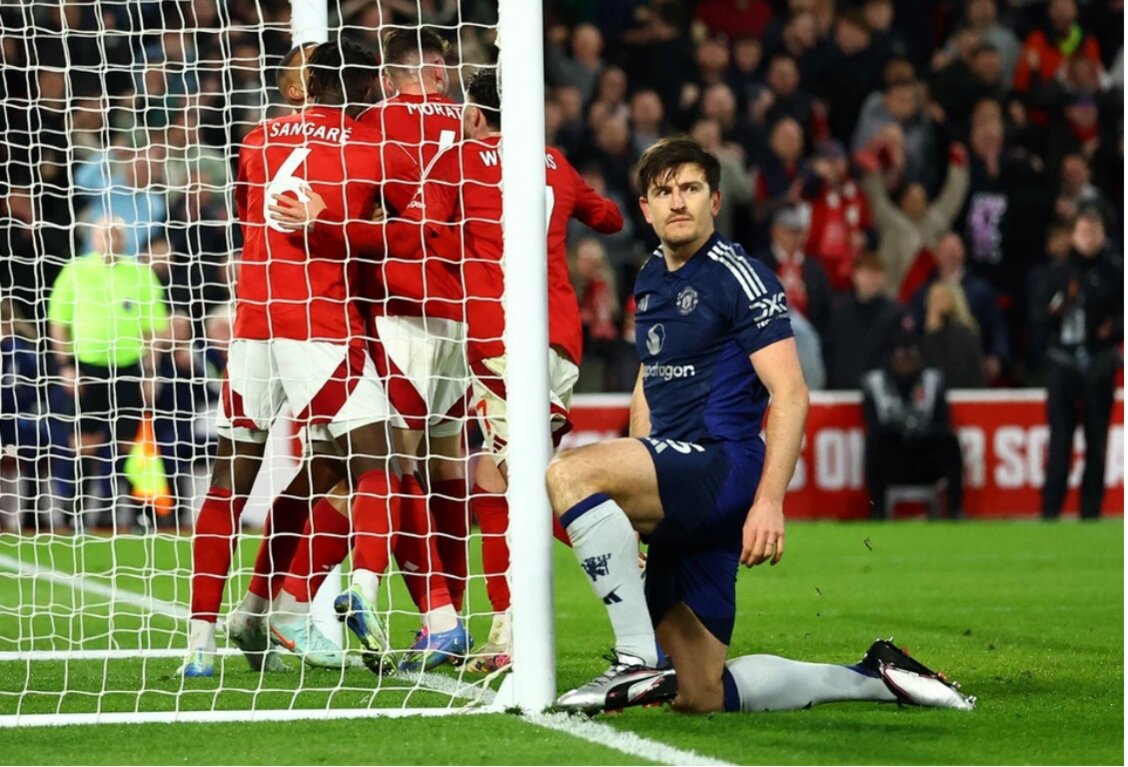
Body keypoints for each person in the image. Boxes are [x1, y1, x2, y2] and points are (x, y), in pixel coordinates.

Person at [544, 137, 974, 715]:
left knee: (568, 474)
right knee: (700, 693)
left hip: (721, 469)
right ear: (645, 208)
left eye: (691, 188)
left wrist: (769, 501)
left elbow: (790, 393)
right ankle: (873, 677)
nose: (678, 202)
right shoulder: (649, 276)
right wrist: (641, 485)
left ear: (715, 200)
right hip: (675, 475)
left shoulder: (740, 277)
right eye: (664, 192)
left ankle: (633, 659)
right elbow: (650, 376)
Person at [269, 69, 624, 674]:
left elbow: (410, 236)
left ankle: (614, 563)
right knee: (484, 475)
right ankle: (477, 623)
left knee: (483, 478)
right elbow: (611, 218)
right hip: (557, 336)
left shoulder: (443, 153)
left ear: (476, 114)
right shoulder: (555, 162)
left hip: (488, 333)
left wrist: (324, 223)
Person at [179, 40, 418, 678]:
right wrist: (352, 220)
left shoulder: (256, 140)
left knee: (235, 479)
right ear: (370, 89)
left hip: (252, 323)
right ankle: (359, 591)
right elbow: (410, 235)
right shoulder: (374, 148)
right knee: (379, 459)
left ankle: (209, 640)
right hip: (319, 324)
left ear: (305, 85)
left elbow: (248, 216)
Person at [264, 27, 474, 674]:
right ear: (440, 72)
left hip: (393, 309)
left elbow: (394, 224)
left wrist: (341, 222)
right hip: (460, 306)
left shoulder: (372, 128)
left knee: (376, 466)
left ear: (385, 79)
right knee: (442, 466)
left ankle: (421, 613)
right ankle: (454, 616)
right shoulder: (471, 126)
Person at [47, 216, 169, 530]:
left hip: (128, 368)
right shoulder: (75, 271)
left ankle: (140, 516)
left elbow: (154, 329)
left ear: (125, 240)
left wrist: (151, 371)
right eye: (105, 234)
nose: (111, 239)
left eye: (117, 234)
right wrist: (66, 365)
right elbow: (58, 322)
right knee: (84, 443)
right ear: (93, 238)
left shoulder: (141, 273)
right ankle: (74, 515)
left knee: (130, 445)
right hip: (85, 368)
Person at [1040, 207, 1123, 520]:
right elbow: (1040, 317)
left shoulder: (1115, 272)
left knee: (1097, 442)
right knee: (1060, 442)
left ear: (1103, 234)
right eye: (1084, 231)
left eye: (1094, 231)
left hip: (1098, 363)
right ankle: (1051, 512)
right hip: (1062, 364)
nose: (1089, 237)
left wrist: (1112, 331)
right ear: (1073, 235)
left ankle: (1091, 513)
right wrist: (1058, 308)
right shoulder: (1058, 273)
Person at [861, 332, 966, 519]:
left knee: (949, 440)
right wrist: (902, 431)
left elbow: (943, 422)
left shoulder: (933, 381)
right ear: (891, 357)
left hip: (925, 458)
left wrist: (917, 433)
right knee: (875, 441)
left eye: (911, 356)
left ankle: (954, 509)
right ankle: (877, 510)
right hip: (892, 459)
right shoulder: (874, 383)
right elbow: (873, 423)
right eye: (901, 356)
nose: (906, 362)